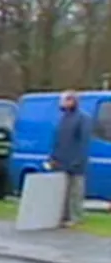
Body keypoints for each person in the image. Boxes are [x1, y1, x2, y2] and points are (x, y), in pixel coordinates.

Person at [47, 90, 91, 227]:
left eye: (64, 100)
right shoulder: (63, 118)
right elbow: (58, 140)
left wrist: (78, 160)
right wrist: (53, 157)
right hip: (61, 161)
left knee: (75, 192)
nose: (61, 103)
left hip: (76, 163)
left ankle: (75, 217)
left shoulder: (83, 118)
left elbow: (83, 142)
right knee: (62, 192)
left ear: (72, 101)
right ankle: (63, 216)